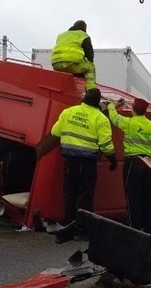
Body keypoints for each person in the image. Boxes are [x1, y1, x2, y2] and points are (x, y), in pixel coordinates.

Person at [49, 88, 116, 232]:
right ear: (98, 102)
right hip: (87, 163)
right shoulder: (100, 118)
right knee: (85, 196)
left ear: (84, 98)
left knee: (70, 193)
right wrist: (113, 160)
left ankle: (68, 226)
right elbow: (106, 144)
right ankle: (82, 229)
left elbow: (55, 132)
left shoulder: (68, 112)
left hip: (70, 161)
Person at [106, 97, 151, 233]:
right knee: (148, 198)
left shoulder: (128, 123)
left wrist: (111, 106)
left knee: (133, 198)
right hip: (148, 164)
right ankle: (149, 230)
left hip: (133, 164)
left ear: (133, 110)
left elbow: (113, 118)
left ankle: (134, 230)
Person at [50, 20, 96, 90]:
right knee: (90, 66)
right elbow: (90, 54)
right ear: (84, 28)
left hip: (56, 65)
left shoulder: (61, 35)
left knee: (70, 70)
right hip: (71, 64)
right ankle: (91, 90)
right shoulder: (83, 35)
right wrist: (88, 62)